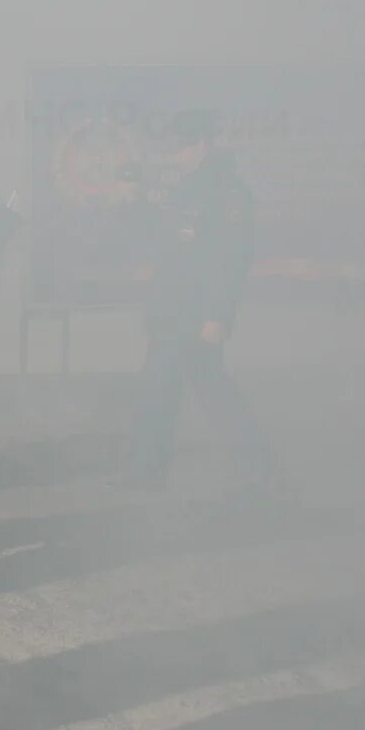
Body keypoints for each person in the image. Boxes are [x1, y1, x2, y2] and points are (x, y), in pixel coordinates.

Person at [122, 129, 274, 493]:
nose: (175, 155)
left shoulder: (228, 193)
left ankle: (148, 471)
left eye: (181, 147)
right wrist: (136, 202)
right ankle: (257, 464)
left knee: (165, 391)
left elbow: (230, 259)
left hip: (194, 315)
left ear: (202, 146)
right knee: (200, 388)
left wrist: (218, 316)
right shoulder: (188, 189)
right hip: (171, 311)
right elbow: (170, 242)